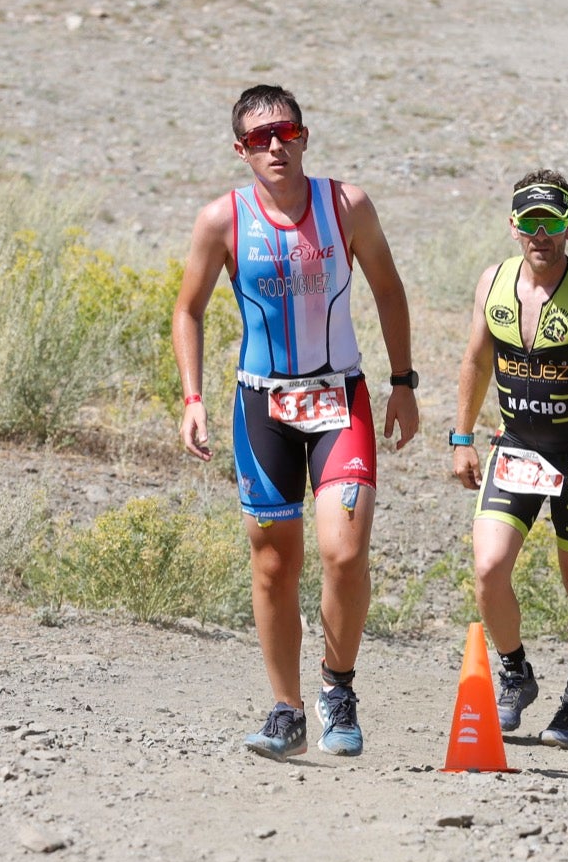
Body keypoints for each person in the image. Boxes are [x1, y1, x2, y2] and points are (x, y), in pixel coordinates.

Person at [172, 84, 419, 760]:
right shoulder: (221, 220)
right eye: (258, 139)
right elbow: (186, 309)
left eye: (284, 132)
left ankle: (338, 689)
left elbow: (388, 290)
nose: (274, 147)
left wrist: (403, 383)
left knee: (344, 550)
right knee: (274, 564)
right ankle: (286, 710)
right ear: (241, 150)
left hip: (341, 396)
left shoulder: (348, 206)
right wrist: (193, 398)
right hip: (263, 405)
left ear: (305, 135)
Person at [450, 170, 568, 749]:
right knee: (488, 570)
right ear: (514, 226)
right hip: (516, 449)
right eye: (531, 222)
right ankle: (515, 673)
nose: (542, 234)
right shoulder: (494, 282)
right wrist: (461, 437)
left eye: (553, 222)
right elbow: (476, 361)